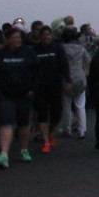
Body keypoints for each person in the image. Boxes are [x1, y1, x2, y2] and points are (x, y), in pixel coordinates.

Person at [0, 27, 39, 168]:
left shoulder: (29, 53)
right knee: (6, 122)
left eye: (19, 38)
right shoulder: (0, 55)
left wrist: (32, 89)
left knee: (24, 123)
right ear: (8, 39)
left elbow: (36, 72)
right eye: (14, 38)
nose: (17, 40)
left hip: (24, 94)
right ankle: (4, 153)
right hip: (6, 95)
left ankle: (24, 149)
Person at [33, 26, 70, 154]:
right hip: (40, 86)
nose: (46, 37)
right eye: (44, 34)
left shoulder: (57, 48)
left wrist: (68, 80)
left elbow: (64, 65)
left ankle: (49, 133)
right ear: (40, 36)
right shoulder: (34, 50)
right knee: (42, 114)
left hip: (55, 85)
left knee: (56, 114)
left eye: (48, 34)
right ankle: (46, 142)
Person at [60, 27, 90, 139]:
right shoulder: (81, 48)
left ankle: (66, 129)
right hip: (80, 78)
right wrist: (85, 72)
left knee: (66, 106)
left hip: (66, 79)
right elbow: (88, 60)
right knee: (80, 105)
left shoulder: (61, 48)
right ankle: (82, 129)